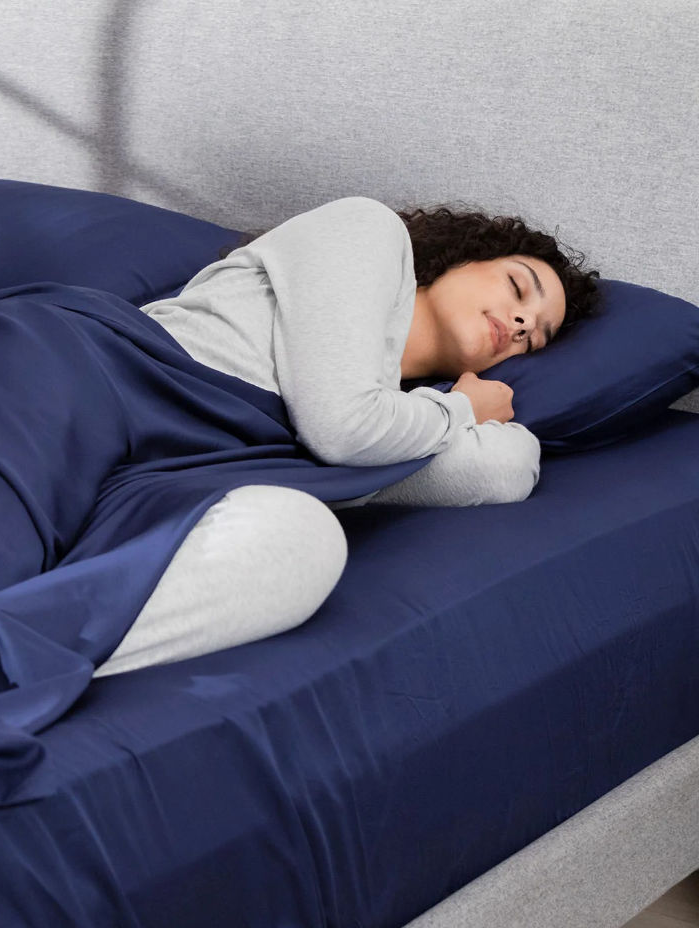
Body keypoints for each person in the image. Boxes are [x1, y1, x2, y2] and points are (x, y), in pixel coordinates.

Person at [95, 196, 601, 676]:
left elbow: (504, 468)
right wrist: (462, 408)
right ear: (465, 258)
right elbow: (342, 429)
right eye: (517, 287)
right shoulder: (367, 230)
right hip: (95, 386)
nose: (520, 323)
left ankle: (26, 655)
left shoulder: (399, 422)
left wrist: (445, 417)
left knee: (304, 543)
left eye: (533, 337)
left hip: (151, 478)